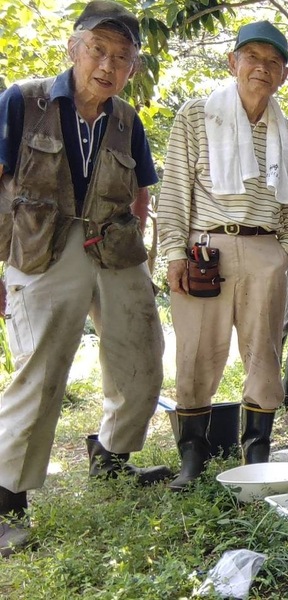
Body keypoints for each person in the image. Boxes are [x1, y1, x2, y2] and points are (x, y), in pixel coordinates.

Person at [0, 0, 172, 556]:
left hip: (115, 248)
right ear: (74, 49)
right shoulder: (23, 100)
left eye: (121, 57)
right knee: (41, 371)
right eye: (98, 50)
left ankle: (112, 457)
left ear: (132, 68)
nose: (107, 64)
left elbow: (141, 193)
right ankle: (6, 502)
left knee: (143, 355)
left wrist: (139, 253)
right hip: (42, 249)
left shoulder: (128, 120)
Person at [157, 20, 288, 490]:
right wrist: (174, 254)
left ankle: (256, 452)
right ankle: (193, 456)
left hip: (265, 249)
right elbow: (174, 188)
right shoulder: (197, 115)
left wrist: (286, 251)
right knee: (196, 352)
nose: (262, 68)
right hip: (205, 249)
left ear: (283, 75)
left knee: (264, 354)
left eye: (273, 62)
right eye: (252, 58)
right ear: (233, 62)